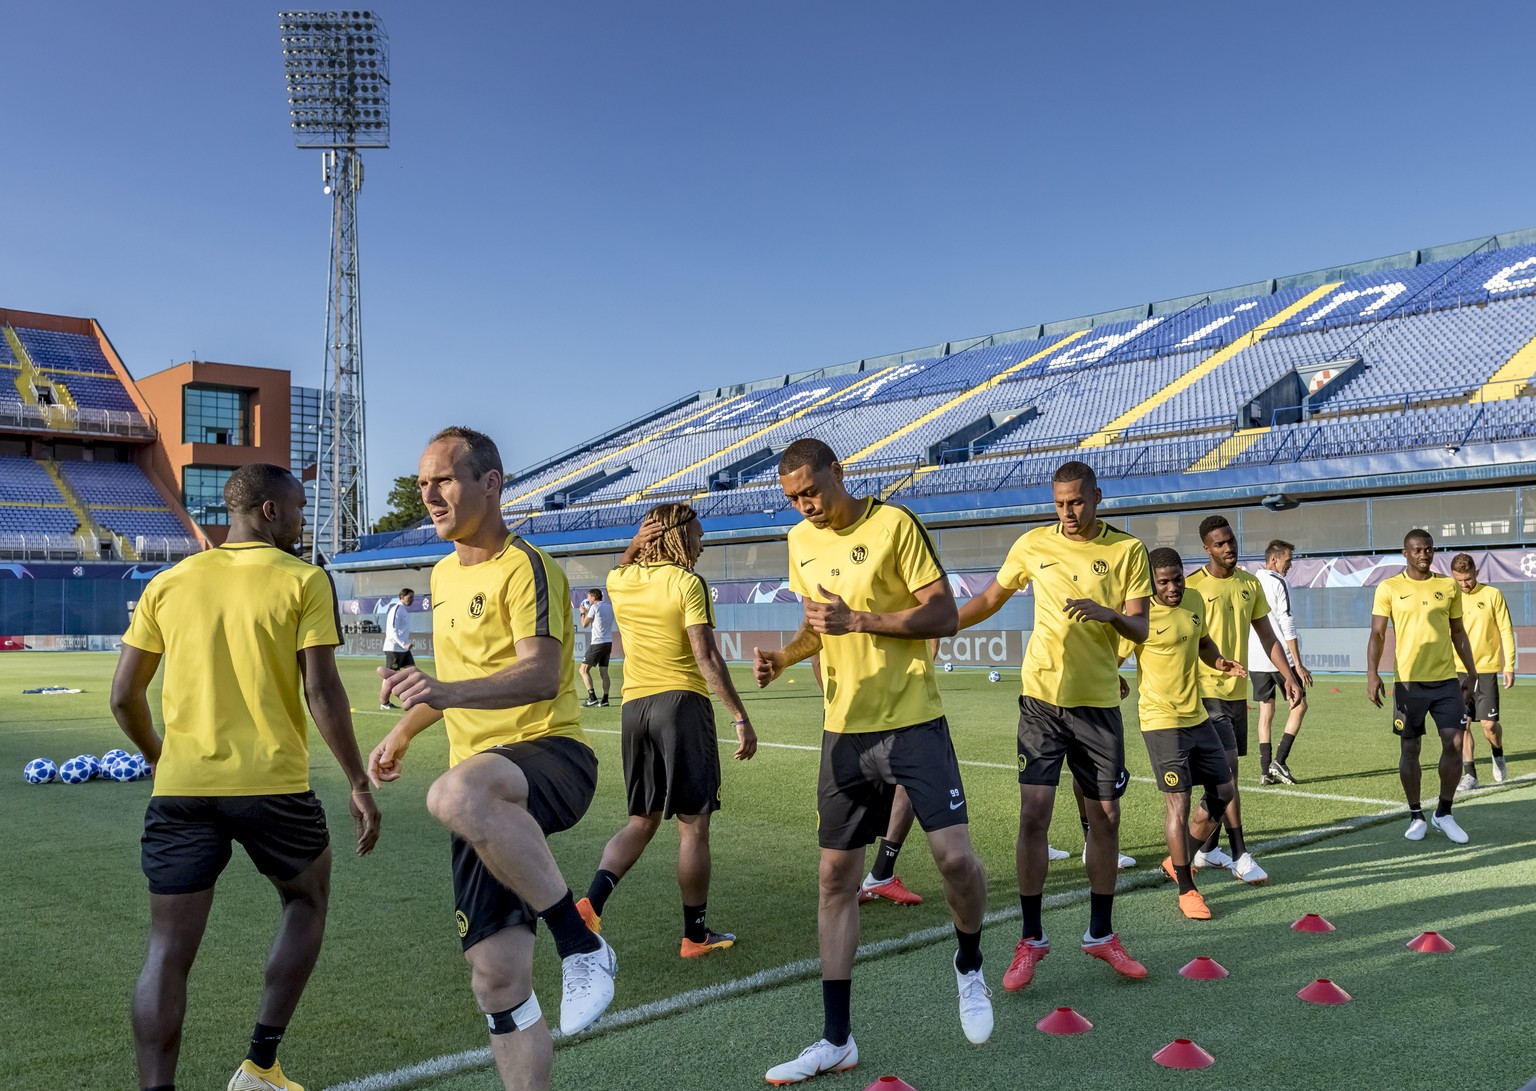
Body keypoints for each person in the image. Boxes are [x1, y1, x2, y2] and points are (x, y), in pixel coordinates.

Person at [109, 462, 381, 1091]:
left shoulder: (169, 582)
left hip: (182, 789)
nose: (301, 518)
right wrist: (357, 781)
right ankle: (260, 1065)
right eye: (297, 507)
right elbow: (322, 688)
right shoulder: (305, 580)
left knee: (166, 952)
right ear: (266, 511)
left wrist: (160, 757)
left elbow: (125, 696)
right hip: (273, 786)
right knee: (306, 900)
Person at [368, 426, 615, 1091]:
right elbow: (459, 681)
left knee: (451, 795)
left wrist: (443, 692)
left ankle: (580, 942)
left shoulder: (526, 565)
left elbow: (538, 676)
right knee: (496, 981)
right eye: (422, 483)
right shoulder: (445, 573)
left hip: (550, 754)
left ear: (490, 482)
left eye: (443, 479)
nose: (429, 494)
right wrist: (405, 732)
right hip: (485, 792)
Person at [754, 438, 992, 1084]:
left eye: (812, 490)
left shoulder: (894, 523)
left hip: (914, 721)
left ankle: (969, 962)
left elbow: (942, 612)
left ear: (840, 471)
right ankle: (837, 1038)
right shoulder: (799, 541)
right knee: (835, 878)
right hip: (844, 731)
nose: (805, 506)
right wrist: (785, 655)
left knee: (955, 860)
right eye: (794, 498)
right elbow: (818, 625)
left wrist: (858, 617)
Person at [956, 459, 1152, 993]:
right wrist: (942, 624)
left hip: (1096, 708)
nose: (1067, 513)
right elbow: (991, 598)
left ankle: (1101, 934)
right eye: (1060, 503)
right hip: (1041, 700)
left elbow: (1141, 623)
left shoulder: (1126, 550)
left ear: (1097, 497)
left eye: (1077, 502)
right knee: (1033, 816)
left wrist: (1109, 615)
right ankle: (1031, 938)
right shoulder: (1031, 545)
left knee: (1106, 819)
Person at [577, 504, 758, 957]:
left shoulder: (620, 581)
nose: (702, 542)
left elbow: (621, 565)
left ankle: (590, 905)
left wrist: (634, 546)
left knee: (641, 820)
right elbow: (707, 657)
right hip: (681, 705)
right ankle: (695, 937)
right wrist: (739, 715)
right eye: (697, 534)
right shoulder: (688, 583)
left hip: (634, 708)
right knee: (693, 829)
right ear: (675, 538)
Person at [1118, 548, 1244, 920]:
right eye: (1164, 581)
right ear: (1150, 583)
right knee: (1179, 802)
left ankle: (1179, 860)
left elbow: (1203, 642)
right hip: (1161, 721)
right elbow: (1114, 656)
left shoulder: (1193, 600)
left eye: (1178, 578)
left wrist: (1219, 660)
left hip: (1196, 715)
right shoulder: (1138, 614)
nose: (1173, 587)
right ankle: (1187, 888)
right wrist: (1116, 679)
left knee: (1223, 791)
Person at [1187, 516, 1302, 884]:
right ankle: (1240, 855)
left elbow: (1268, 635)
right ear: (1207, 549)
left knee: (1221, 780)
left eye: (1231, 541)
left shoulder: (1250, 584)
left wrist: (1288, 675)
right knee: (1228, 777)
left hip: (1236, 695)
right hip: (1205, 694)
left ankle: (1206, 850)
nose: (1228, 548)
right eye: (1219, 544)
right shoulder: (1191, 588)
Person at [1366, 529, 1480, 844]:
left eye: (1428, 549)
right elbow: (1378, 633)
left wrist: (1471, 672)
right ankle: (1416, 815)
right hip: (1408, 683)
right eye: (1417, 550)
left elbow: (1458, 632)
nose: (1423, 554)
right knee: (1410, 748)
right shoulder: (1389, 587)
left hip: (1446, 681)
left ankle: (1444, 812)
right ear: (1405, 553)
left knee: (1455, 743)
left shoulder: (1448, 586)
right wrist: (1372, 673)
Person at [1246, 541, 1314, 784]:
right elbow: (1286, 621)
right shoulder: (1278, 582)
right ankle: (1280, 761)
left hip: (1255, 657)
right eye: (1288, 560)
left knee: (1267, 711)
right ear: (1274, 560)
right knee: (1299, 705)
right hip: (1280, 657)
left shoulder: (1252, 581)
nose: (1291, 564)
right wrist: (1298, 663)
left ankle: (1265, 771)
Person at [1449, 553, 1516, 788]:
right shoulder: (1451, 596)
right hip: (1458, 670)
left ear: (1476, 572)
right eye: (1459, 580)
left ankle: (1497, 752)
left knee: (1488, 726)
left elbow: (1506, 630)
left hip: (1486, 670)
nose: (1464, 585)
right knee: (1463, 724)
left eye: (1467, 579)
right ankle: (1471, 774)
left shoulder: (1492, 595)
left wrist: (1509, 665)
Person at [379, 587, 416, 709]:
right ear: (401, 597)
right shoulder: (397, 609)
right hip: (394, 648)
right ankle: (384, 703)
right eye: (409, 597)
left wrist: (405, 646)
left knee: (412, 672)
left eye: (413, 598)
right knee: (390, 675)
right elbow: (392, 631)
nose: (412, 600)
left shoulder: (404, 610)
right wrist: (403, 644)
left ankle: (414, 699)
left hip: (403, 649)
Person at [579, 588, 616, 707]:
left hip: (597, 643)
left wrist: (582, 612)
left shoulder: (594, 607)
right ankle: (605, 699)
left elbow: (584, 624)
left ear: (594, 598)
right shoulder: (609, 607)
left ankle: (592, 698)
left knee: (583, 670)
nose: (588, 599)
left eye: (589, 597)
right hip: (608, 642)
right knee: (604, 671)